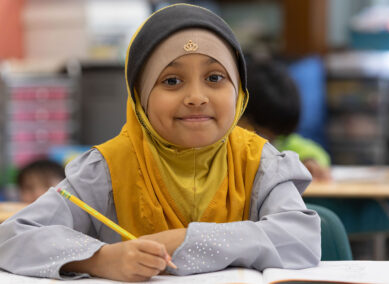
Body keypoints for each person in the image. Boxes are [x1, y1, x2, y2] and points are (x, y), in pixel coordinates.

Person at [0, 4, 321, 282]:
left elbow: (301, 239)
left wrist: (189, 241)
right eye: (171, 81)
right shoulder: (108, 168)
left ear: (239, 91)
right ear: (139, 97)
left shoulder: (259, 162)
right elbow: (13, 236)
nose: (196, 97)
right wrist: (100, 259)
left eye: (215, 78)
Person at [240, 58, 331, 181]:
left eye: (274, 138)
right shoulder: (224, 146)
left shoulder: (280, 142)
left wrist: (311, 160)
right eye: (259, 134)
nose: (268, 144)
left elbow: (315, 151)